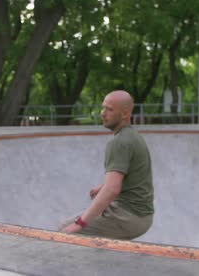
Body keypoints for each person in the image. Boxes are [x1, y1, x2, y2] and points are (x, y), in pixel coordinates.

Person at [59, 90, 154, 240]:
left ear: (125, 114)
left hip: (129, 217)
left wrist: (81, 223)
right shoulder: (133, 136)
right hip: (142, 215)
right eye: (103, 108)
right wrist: (102, 187)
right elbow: (128, 176)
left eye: (109, 109)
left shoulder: (119, 142)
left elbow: (112, 189)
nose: (103, 113)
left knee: (63, 232)